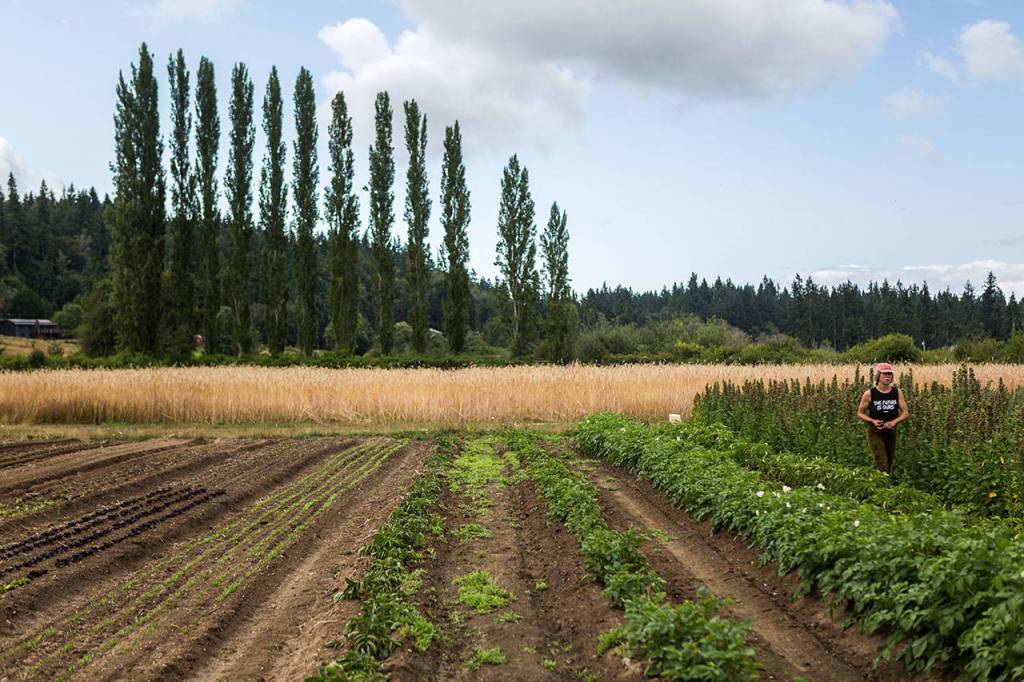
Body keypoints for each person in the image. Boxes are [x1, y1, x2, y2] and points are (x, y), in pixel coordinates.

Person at [856, 362, 909, 473]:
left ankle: (877, 483)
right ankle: (883, 488)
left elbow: (905, 413)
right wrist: (872, 421)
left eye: (890, 374)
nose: (888, 377)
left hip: (891, 431)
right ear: (878, 376)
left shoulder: (897, 392)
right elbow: (860, 413)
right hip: (875, 432)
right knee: (883, 464)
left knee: (889, 462)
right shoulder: (869, 394)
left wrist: (894, 422)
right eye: (885, 374)